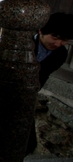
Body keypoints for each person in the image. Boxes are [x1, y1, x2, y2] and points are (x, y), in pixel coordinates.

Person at [26, 12, 73, 154]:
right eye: (55, 37)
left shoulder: (60, 54)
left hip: (27, 98)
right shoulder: (23, 45)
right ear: (41, 30)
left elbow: (42, 77)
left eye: (64, 40)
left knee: (27, 145)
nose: (58, 44)